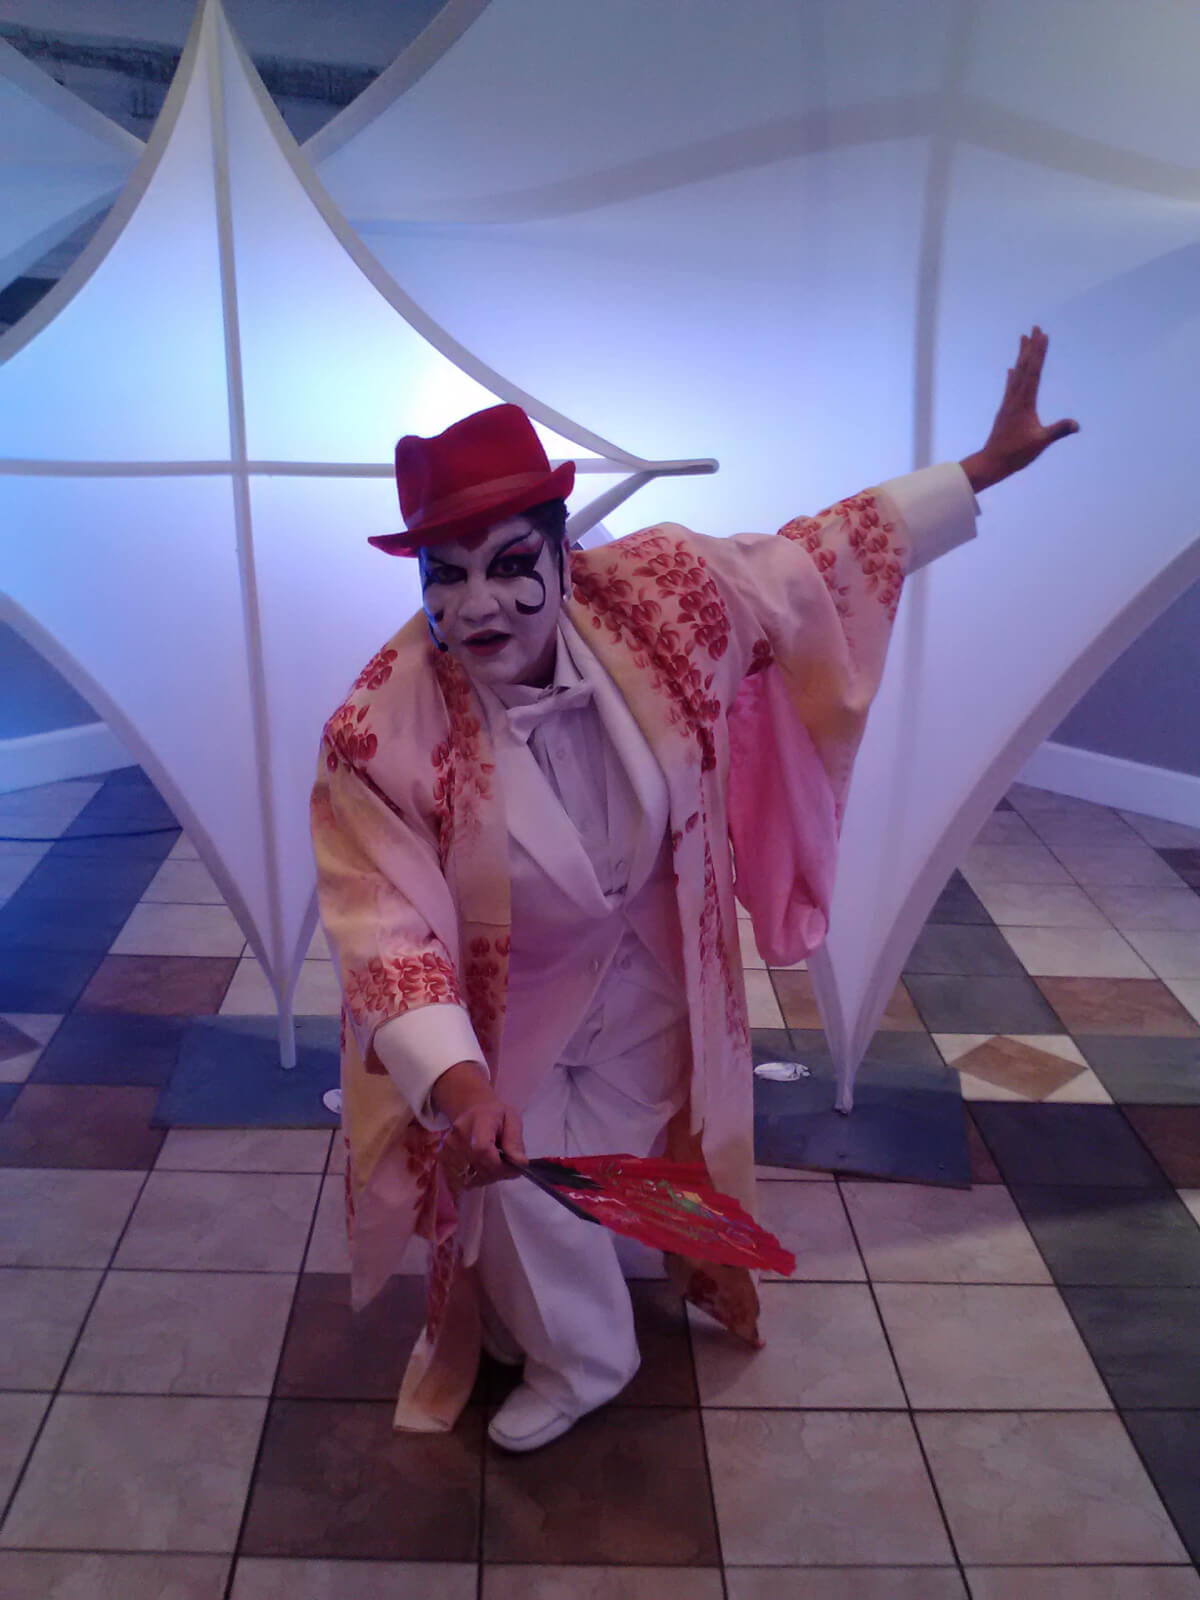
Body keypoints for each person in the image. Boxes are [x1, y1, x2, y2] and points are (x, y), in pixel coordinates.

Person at [312, 327, 1077, 1451]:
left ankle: (580, 1283)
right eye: (446, 574)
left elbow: (817, 560)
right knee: (506, 1166)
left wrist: (979, 471)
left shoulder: (665, 594)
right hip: (513, 997)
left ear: (563, 550)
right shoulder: (378, 728)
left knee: (629, 1143)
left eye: (510, 564)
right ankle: (587, 1357)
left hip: (662, 957)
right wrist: (462, 1081)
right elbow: (386, 931)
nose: (478, 606)